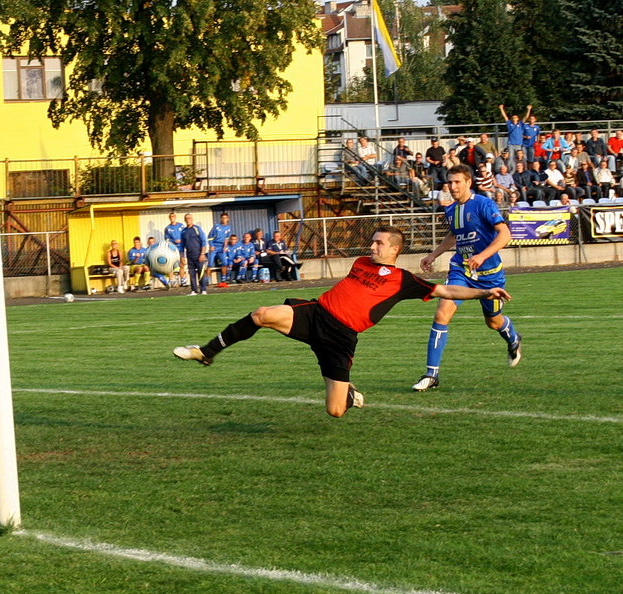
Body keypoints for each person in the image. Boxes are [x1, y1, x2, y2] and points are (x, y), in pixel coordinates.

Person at [173, 226, 512, 418]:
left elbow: (446, 289)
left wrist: (484, 292)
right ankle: (206, 352)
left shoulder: (404, 280)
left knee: (335, 412)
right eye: (374, 241)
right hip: (316, 314)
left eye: (379, 242)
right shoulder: (363, 262)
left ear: (394, 249)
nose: (372, 245)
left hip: (341, 338)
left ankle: (348, 394)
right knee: (262, 313)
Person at [412, 164, 522, 392]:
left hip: (489, 275)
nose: (452, 187)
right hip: (461, 271)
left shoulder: (483, 204)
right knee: (442, 313)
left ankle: (512, 337)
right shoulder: (451, 210)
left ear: (468, 182)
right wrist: (434, 254)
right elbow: (454, 235)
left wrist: (482, 255)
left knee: (493, 322)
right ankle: (432, 374)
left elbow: (505, 234)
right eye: (449, 182)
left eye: (457, 182)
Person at [181, 213, 208, 296]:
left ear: (192, 219)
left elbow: (203, 241)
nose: (188, 219)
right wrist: (182, 256)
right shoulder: (183, 231)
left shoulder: (197, 228)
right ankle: (194, 290)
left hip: (198, 253)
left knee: (201, 272)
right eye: (186, 218)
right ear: (185, 220)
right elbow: (182, 245)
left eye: (189, 218)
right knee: (191, 273)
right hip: (189, 255)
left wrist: (202, 254)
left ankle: (203, 290)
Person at [207, 213, 232, 284]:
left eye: (225, 218)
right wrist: (211, 245)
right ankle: (207, 280)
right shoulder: (216, 226)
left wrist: (225, 247)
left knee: (225, 262)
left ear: (228, 219)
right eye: (223, 218)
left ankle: (223, 278)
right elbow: (209, 236)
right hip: (214, 246)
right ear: (221, 219)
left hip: (221, 247)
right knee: (210, 263)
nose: (224, 219)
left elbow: (226, 238)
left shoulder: (228, 228)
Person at [163, 212, 187, 286]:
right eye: (171, 216)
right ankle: (170, 281)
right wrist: (173, 241)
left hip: (181, 248)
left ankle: (183, 280)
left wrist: (183, 241)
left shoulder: (181, 226)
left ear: (175, 217)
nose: (172, 217)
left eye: (173, 216)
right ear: (169, 218)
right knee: (171, 265)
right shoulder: (167, 228)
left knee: (182, 264)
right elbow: (166, 240)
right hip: (172, 250)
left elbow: (185, 235)